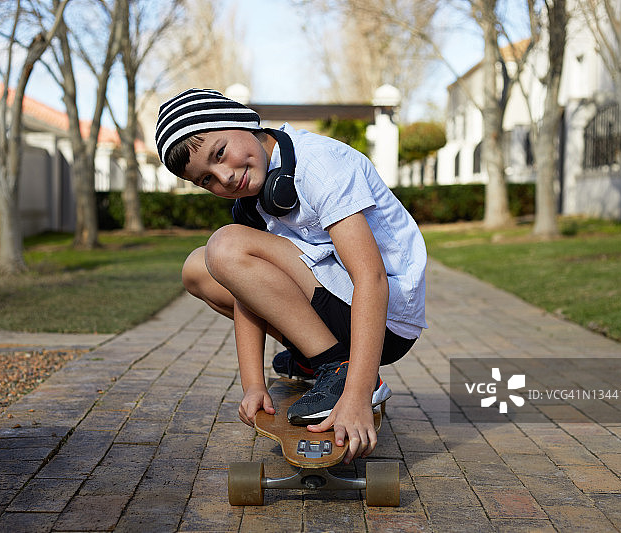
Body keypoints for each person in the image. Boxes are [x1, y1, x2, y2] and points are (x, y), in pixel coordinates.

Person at [155, 88, 427, 463]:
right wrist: (253, 385)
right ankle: (317, 357)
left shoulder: (319, 163)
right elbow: (245, 289)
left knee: (225, 246)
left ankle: (340, 368)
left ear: (243, 122)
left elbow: (372, 278)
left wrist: (358, 394)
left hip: (387, 319)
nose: (224, 176)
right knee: (198, 269)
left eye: (219, 153)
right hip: (340, 303)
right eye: (206, 180)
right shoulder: (252, 196)